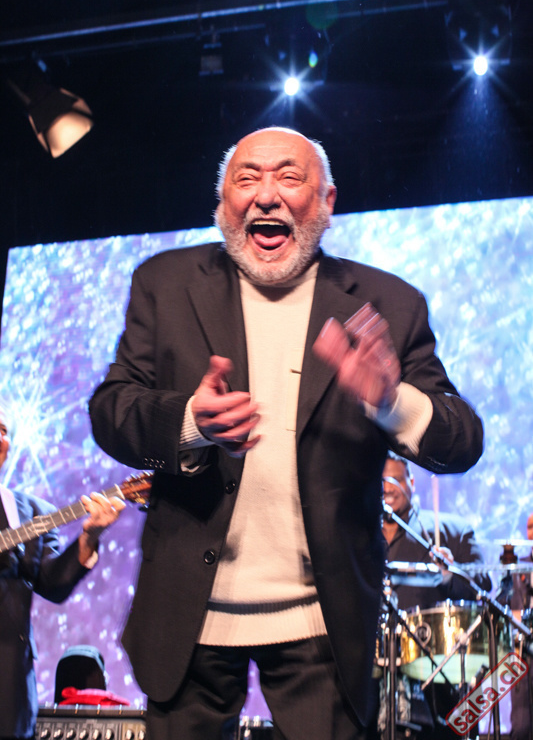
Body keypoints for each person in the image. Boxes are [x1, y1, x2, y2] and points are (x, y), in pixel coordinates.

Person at [89, 126, 484, 740]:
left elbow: (462, 440)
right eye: (246, 178)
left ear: (327, 201)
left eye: (289, 177)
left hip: (323, 621)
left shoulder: (387, 302)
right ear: (224, 202)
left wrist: (391, 401)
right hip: (188, 615)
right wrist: (190, 422)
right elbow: (112, 410)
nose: (266, 195)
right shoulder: (164, 284)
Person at [0, 403, 125, 740]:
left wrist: (90, 537)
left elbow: (53, 585)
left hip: (7, 684)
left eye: (3, 431)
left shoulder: (33, 513)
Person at [378, 453, 492, 739]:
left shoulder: (451, 530)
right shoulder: (359, 535)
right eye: (381, 481)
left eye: (395, 480)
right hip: (372, 672)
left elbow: (483, 584)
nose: (387, 487)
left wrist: (450, 574)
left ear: (411, 482)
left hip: (436, 674)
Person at [509, 512, 533, 740]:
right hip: (523, 652)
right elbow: (504, 605)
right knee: (522, 725)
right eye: (530, 527)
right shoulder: (518, 569)